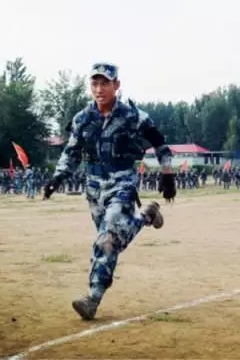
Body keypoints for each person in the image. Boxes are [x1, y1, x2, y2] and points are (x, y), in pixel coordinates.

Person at [43, 62, 176, 320]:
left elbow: (160, 143)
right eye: (95, 83)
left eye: (105, 83)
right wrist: (57, 177)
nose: (99, 89)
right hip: (94, 187)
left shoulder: (134, 117)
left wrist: (168, 173)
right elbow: (71, 152)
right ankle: (146, 216)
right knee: (112, 242)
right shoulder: (82, 119)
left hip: (122, 181)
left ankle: (92, 298)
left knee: (107, 239)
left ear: (116, 85)